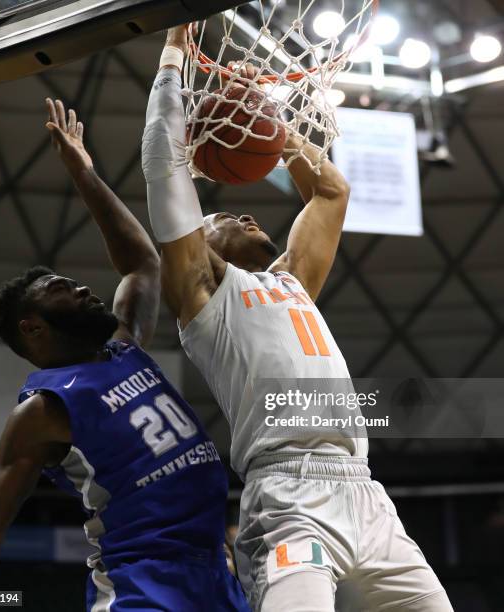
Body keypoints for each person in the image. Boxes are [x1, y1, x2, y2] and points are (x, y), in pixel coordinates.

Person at [141, 25, 454, 612]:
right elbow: (163, 171)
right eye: (224, 216)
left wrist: (269, 124)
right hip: (288, 497)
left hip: (366, 493)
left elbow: (331, 191)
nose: (245, 213)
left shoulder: (293, 281)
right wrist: (172, 58)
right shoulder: (205, 294)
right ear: (202, 246)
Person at [0, 99, 249, 612]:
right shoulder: (42, 411)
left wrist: (84, 173)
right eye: (61, 289)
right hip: (143, 584)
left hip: (211, 574)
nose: (83, 288)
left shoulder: (123, 348)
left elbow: (142, 265)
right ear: (33, 327)